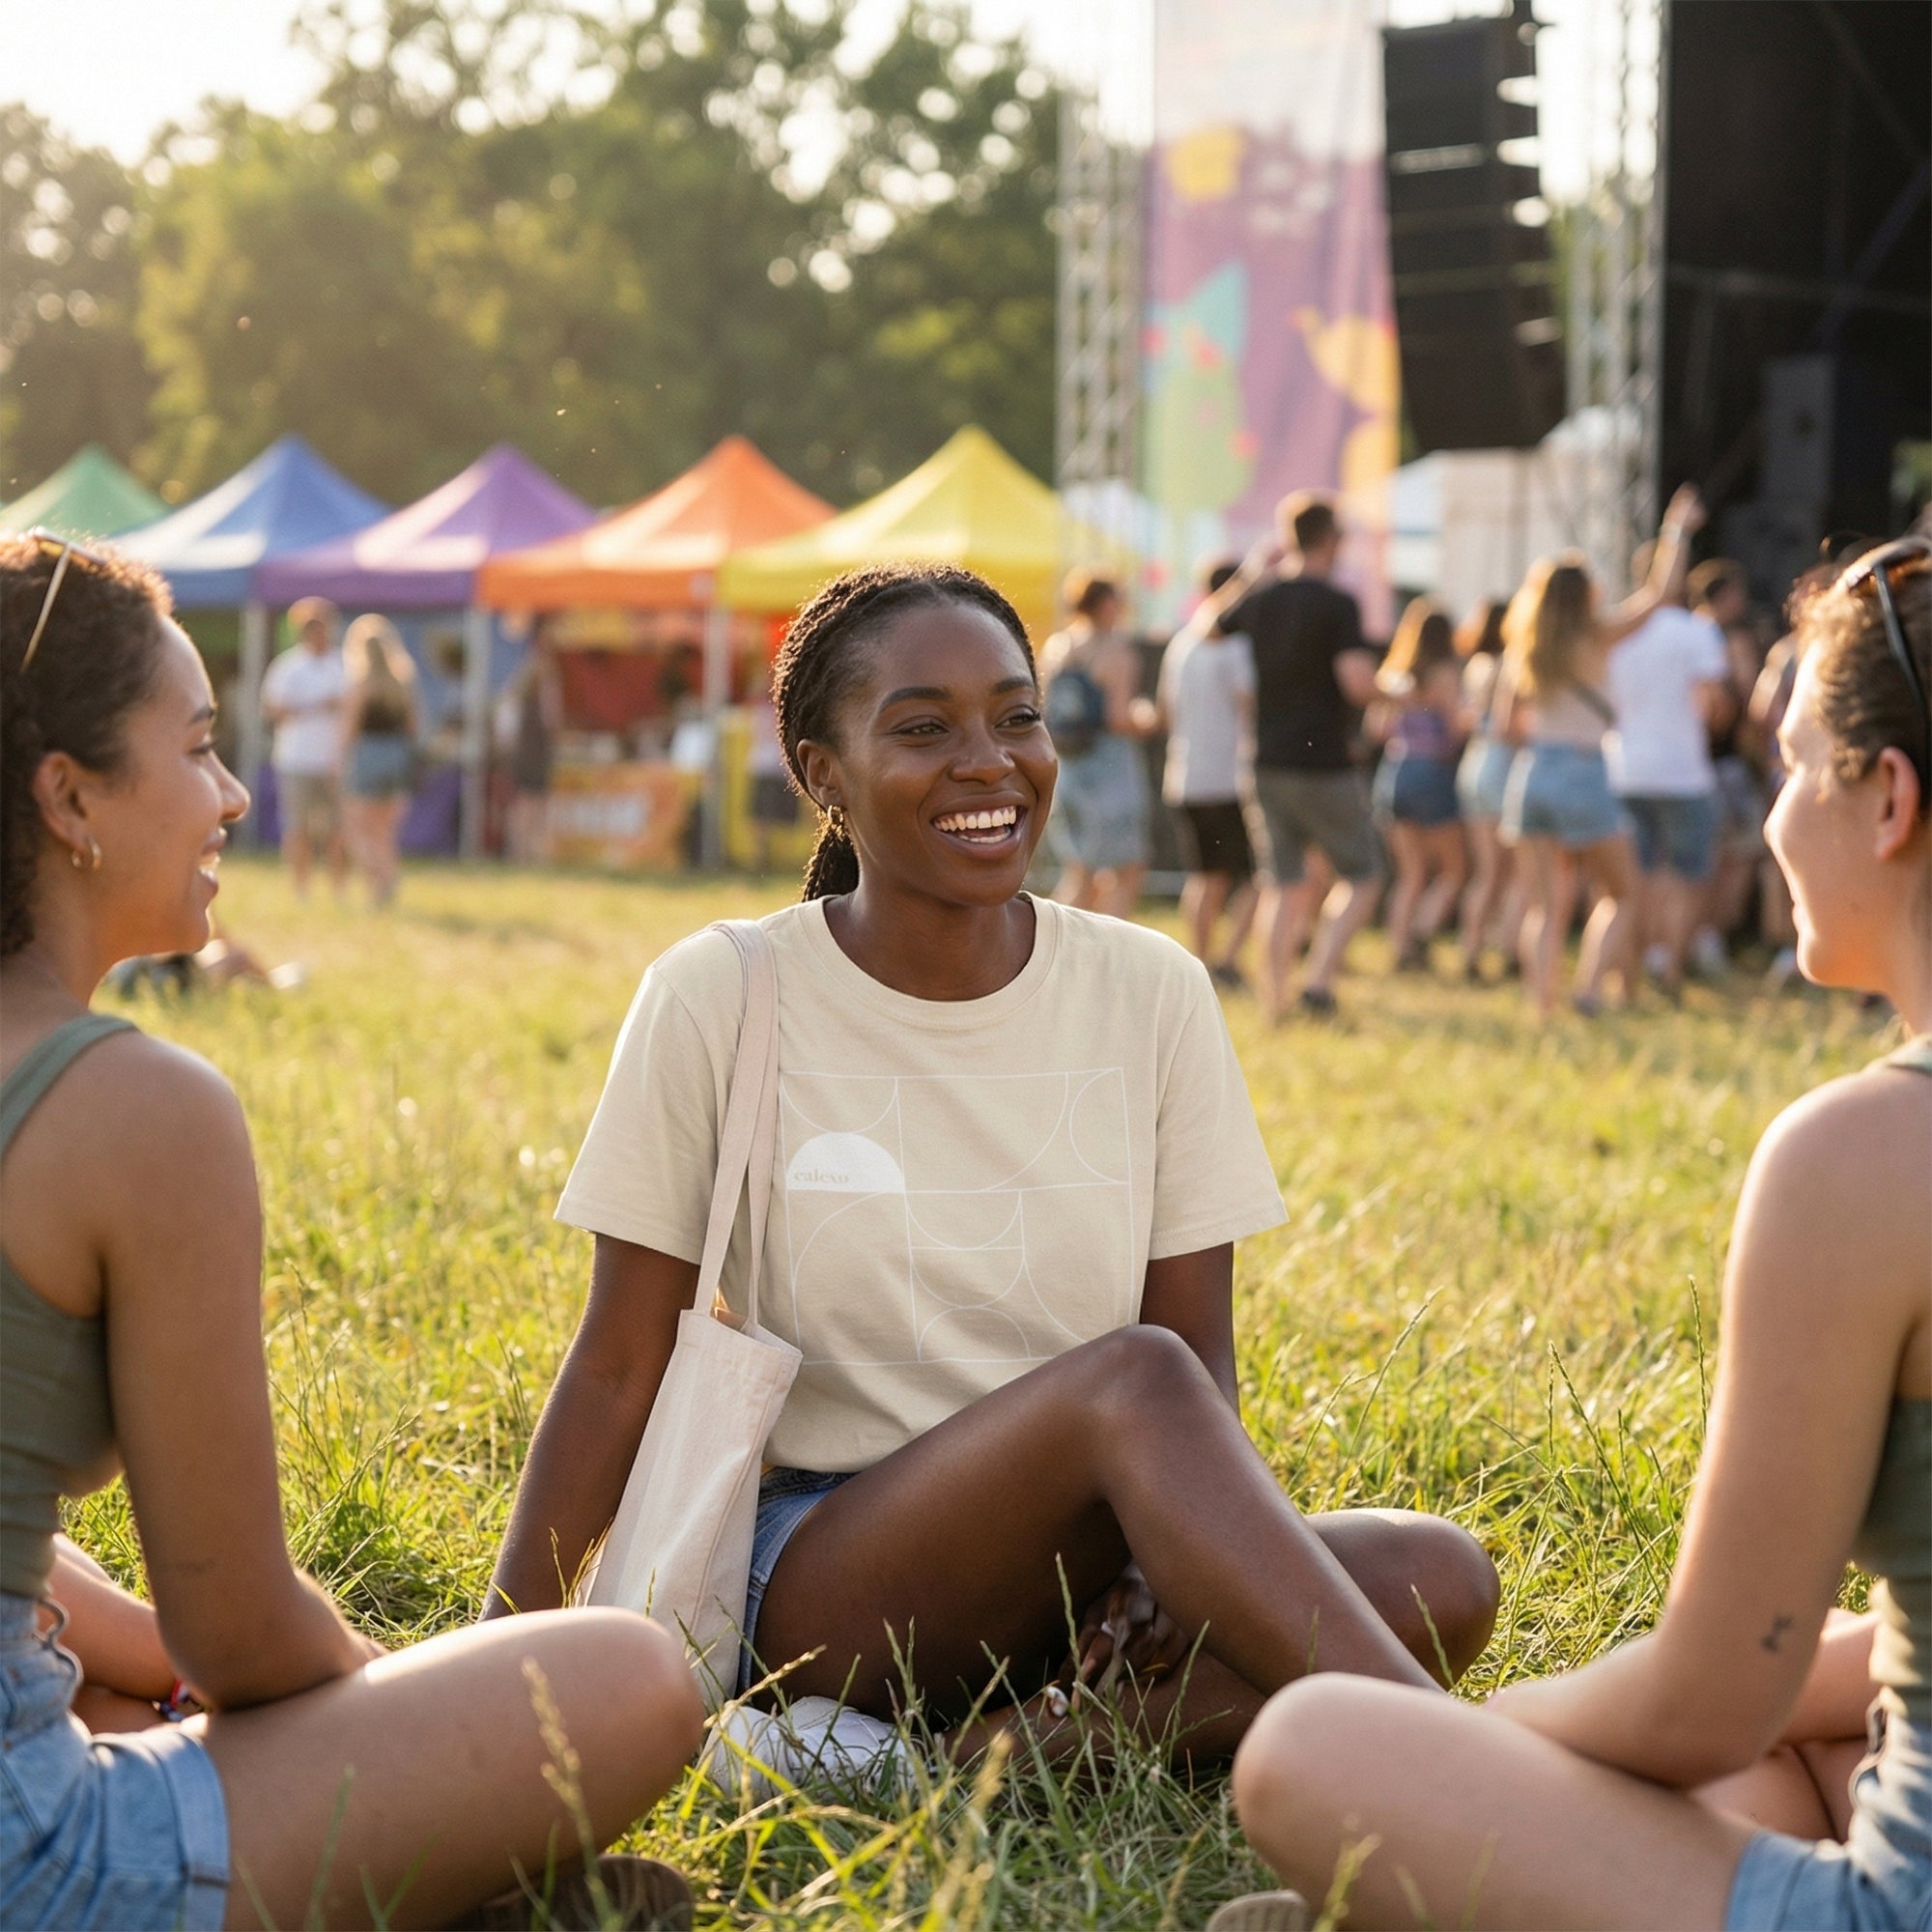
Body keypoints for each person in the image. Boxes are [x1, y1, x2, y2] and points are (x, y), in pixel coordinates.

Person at [486, 562, 1498, 1776]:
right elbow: (615, 1363)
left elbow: (1201, 1356)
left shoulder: (1149, 990)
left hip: (1090, 1569)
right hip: (829, 1575)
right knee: (1130, 1380)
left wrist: (1171, 1564)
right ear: (822, 775)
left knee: (1438, 1575)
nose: (989, 760)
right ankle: (1481, 1789)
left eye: (1017, 716)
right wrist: (496, 1665)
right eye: (923, 727)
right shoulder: (725, 990)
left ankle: (985, 1761)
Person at [1226, 535, 1931, 1931]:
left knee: (1312, 1749)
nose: (1776, 815)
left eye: (1795, 765)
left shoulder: (1865, 1159)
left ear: (1889, 797)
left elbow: (1706, 1694)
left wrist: (1493, 1734)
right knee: (1791, 1760)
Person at [0, 533, 702, 1931]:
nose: (237, 793)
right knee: (631, 1680)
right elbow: (243, 1635)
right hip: (35, 1861)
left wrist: (147, 1668)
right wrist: (389, 1704)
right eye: (198, 749)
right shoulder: (133, 1107)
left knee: (131, 1682)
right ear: (69, 796)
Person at [1493, 486, 1706, 1019]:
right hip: (1584, 770)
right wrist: (1676, 529)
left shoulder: (1526, 648)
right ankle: (1588, 991)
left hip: (1533, 771)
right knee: (1622, 893)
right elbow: (1660, 594)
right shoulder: (1596, 636)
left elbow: (1504, 726)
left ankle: (1542, 1004)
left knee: (1545, 904)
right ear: (1584, 595)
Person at [1202, 494, 1383, 1021]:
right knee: (1363, 873)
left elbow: (1210, 628)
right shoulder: (1337, 604)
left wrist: (1255, 572)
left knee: (1282, 885)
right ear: (1331, 539)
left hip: (1265, 761)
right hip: (1322, 762)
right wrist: (1398, 692)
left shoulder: (1264, 597)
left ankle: (1274, 1000)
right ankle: (1320, 982)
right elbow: (1356, 683)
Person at [1605, 544, 1733, 996]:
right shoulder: (1695, 632)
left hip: (1623, 769)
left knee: (1627, 887)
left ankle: (1627, 980)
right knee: (1686, 878)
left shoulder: (1614, 631)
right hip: (1682, 773)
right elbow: (1713, 705)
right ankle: (1670, 969)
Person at [1156, 558, 1259, 986]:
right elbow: (1249, 704)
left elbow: (1164, 712)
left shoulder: (1181, 643)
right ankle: (1226, 959)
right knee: (1252, 877)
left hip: (1184, 774)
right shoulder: (1234, 646)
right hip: (1227, 776)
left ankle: (1200, 960)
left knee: (1202, 877)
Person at [1039, 571, 1156, 918]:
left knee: (1079, 871)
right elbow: (1118, 717)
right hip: (1109, 768)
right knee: (1127, 869)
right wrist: (1147, 716)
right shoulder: (1116, 650)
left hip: (1067, 766)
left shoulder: (1057, 646)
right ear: (1106, 604)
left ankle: (1055, 949)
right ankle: (1110, 955)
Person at [1369, 599, 1466, 973]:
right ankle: (1422, 934)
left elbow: (1375, 730)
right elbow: (1457, 727)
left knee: (1410, 873)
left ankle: (1399, 946)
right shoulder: (1444, 673)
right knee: (1454, 871)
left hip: (1394, 772)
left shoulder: (1394, 674)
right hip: (1431, 773)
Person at [1452, 599, 1525, 981]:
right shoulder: (1511, 663)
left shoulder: (1475, 665)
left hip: (1474, 763)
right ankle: (1510, 950)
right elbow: (1507, 725)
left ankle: (1471, 949)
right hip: (1502, 765)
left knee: (1485, 873)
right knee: (1512, 874)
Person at [260, 596, 348, 900]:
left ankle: (339, 888)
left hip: (336, 760)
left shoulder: (344, 664)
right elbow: (273, 709)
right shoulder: (288, 667)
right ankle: (302, 889)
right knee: (298, 827)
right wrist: (313, 707)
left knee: (339, 828)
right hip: (296, 759)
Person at [338, 615, 419, 909]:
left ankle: (380, 877)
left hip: (368, 754)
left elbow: (349, 730)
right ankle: (386, 880)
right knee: (385, 829)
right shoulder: (402, 683)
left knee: (357, 827)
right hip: (396, 754)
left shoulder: (361, 685)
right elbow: (414, 726)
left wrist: (340, 762)